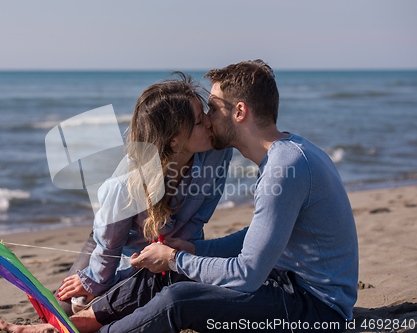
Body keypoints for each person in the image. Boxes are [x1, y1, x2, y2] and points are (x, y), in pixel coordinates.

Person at [96, 60, 359, 332]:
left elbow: (246, 275)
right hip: (287, 284)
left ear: (240, 112)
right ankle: (86, 321)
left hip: (317, 309)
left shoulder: (285, 168)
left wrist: (175, 258)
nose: (207, 119)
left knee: (179, 300)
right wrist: (193, 250)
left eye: (212, 108)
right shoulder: (287, 153)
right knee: (174, 275)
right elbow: (257, 237)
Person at [0, 74, 232, 333]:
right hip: (113, 241)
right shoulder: (127, 183)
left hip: (173, 247)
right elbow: (109, 247)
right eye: (200, 121)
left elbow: (201, 214)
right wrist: (96, 281)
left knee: (148, 293)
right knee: (64, 309)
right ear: (173, 140)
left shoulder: (217, 153)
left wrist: (179, 247)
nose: (210, 123)